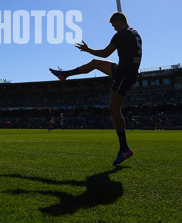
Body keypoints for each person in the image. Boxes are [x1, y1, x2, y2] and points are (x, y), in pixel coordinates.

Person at [49, 12, 142, 165]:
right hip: (127, 71)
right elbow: (136, 54)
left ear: (119, 22)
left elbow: (106, 53)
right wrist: (134, 71)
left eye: (113, 25)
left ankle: (124, 149)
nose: (113, 28)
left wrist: (87, 49)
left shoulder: (121, 35)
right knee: (94, 63)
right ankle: (65, 74)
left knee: (114, 110)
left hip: (123, 73)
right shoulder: (135, 33)